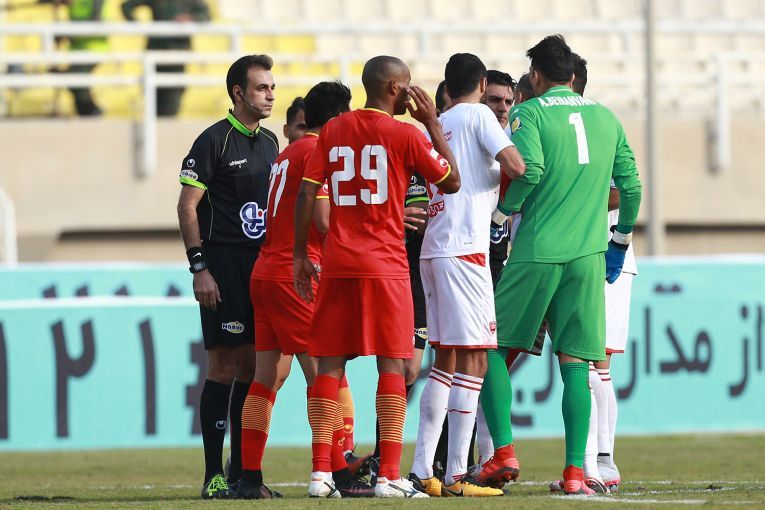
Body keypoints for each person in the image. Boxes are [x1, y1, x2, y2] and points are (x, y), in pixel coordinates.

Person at [476, 35, 642, 496]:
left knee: (489, 346)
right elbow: (631, 186)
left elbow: (529, 170)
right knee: (577, 363)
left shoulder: (529, 112)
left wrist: (500, 215)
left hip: (538, 250)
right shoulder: (606, 117)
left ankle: (503, 452)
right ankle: (575, 473)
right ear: (572, 75)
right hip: (589, 257)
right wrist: (619, 240)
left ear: (535, 76)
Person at [293, 55, 461, 498]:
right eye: (408, 85)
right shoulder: (406, 133)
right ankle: (388, 475)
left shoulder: (333, 130)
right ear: (393, 88)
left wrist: (299, 254)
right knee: (393, 365)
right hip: (386, 265)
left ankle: (319, 475)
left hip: (338, 263)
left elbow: (307, 193)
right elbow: (452, 181)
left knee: (329, 365)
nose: (412, 93)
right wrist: (432, 123)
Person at [237, 81, 374, 499]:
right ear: (336, 118)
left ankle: (249, 477)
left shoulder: (287, 154)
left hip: (266, 272)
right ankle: (335, 472)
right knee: (323, 376)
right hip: (295, 276)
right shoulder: (318, 152)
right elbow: (324, 220)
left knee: (265, 378)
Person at [409, 53, 525, 498]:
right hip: (466, 251)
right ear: (479, 84)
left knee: (446, 360)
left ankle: (424, 469)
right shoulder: (478, 116)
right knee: (476, 357)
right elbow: (516, 166)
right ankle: (457, 475)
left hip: (434, 251)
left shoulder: (435, 125)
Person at [177, 54, 278, 499]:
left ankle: (242, 473)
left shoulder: (271, 142)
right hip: (224, 264)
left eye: (272, 88)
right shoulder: (213, 140)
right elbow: (187, 206)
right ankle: (212, 475)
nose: (270, 95)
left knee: (254, 367)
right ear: (238, 92)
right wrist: (199, 267)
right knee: (223, 366)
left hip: (262, 265)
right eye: (261, 88)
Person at [121, 0, 211, 116]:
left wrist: (190, 18)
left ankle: (167, 124)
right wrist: (138, 26)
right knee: (152, 99)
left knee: (172, 101)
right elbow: (126, 6)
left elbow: (206, 16)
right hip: (155, 53)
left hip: (178, 56)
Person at [54, 0, 106, 116]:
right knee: (76, 81)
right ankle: (88, 113)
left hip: (94, 48)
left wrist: (68, 33)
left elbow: (94, 22)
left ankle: (91, 112)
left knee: (75, 79)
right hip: (78, 50)